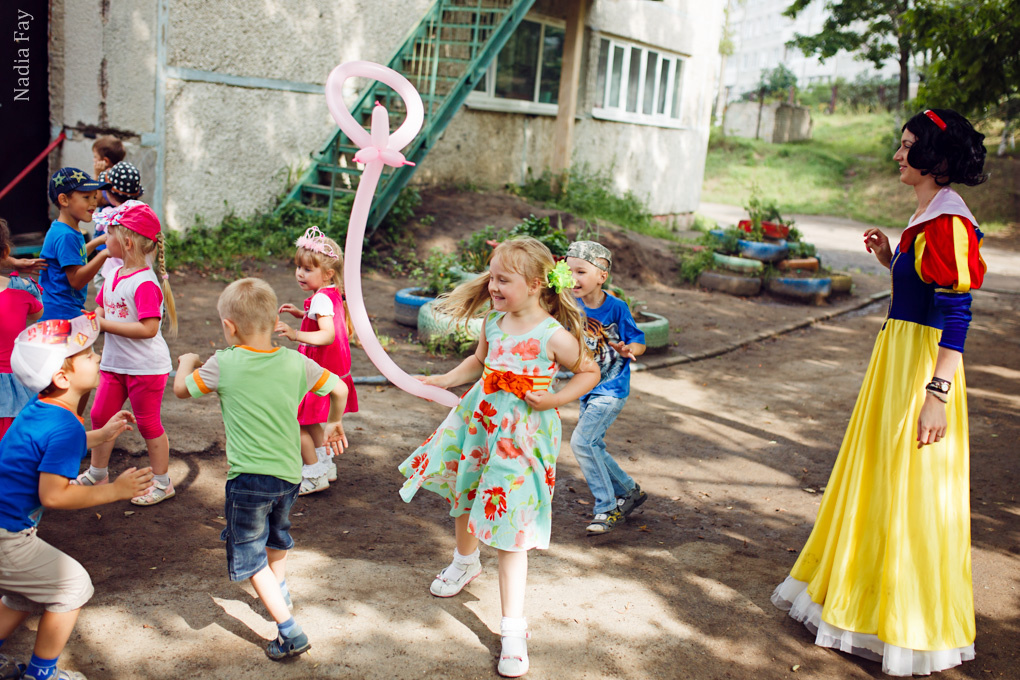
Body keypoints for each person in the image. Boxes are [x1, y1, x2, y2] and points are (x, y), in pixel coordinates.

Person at [771, 108, 989, 676]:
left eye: (906, 145)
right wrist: (890, 259)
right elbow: (923, 289)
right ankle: (864, 601)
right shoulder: (928, 217)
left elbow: (956, 314)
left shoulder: (949, 224)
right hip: (898, 361)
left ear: (934, 160)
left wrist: (937, 393)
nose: (897, 154)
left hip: (920, 369)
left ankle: (908, 621)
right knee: (883, 480)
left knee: (914, 490)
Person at [399, 237, 599, 678]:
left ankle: (512, 628)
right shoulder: (493, 322)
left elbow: (589, 371)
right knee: (466, 495)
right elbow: (479, 361)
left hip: (523, 439)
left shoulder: (553, 335)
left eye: (503, 279)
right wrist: (445, 378)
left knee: (512, 529)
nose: (493, 286)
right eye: (491, 276)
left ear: (533, 285)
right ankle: (464, 561)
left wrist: (556, 399)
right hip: (480, 422)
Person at [173, 277, 349, 661]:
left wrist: (186, 362)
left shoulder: (224, 362)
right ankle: (279, 590)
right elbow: (339, 388)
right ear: (274, 322)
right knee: (276, 535)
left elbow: (181, 390)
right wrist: (334, 422)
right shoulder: (295, 361)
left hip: (248, 479)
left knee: (250, 556)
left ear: (229, 326)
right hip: (289, 476)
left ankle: (289, 630)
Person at [0, 313, 151, 680]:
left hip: (3, 528)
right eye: (86, 354)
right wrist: (114, 490)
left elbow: (47, 450)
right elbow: (53, 496)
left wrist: (100, 435)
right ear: (62, 377)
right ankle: (42, 674)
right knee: (73, 586)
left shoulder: (38, 410)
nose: (97, 357)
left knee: (23, 593)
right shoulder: (64, 425)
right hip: (7, 537)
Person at [73, 204, 178, 506]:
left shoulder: (146, 283)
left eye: (109, 231)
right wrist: (94, 317)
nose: (104, 236)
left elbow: (148, 329)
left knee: (148, 424)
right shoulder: (114, 274)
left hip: (145, 368)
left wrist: (102, 324)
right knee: (100, 416)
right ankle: (97, 473)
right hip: (114, 363)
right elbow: (103, 308)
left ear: (127, 241)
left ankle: (162, 482)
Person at [564, 241, 647, 534]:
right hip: (584, 387)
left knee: (581, 442)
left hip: (610, 388)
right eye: (568, 270)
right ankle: (629, 490)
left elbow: (639, 339)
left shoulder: (616, 307)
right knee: (593, 444)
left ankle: (607, 507)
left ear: (602, 275)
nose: (572, 278)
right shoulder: (567, 304)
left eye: (581, 271)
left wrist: (628, 349)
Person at [275, 226, 359, 495]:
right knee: (309, 419)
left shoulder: (322, 298)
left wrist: (294, 333)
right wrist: (302, 314)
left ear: (328, 273)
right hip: (324, 370)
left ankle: (313, 475)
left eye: (307, 269)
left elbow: (326, 335)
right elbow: (324, 318)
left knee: (293, 419)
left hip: (317, 370)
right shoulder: (327, 294)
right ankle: (325, 466)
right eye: (298, 267)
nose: (300, 273)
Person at [38, 169, 110, 323]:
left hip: (57, 309)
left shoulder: (64, 228)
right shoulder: (66, 236)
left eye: (94, 196)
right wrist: (105, 254)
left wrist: (100, 240)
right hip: (61, 314)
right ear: (64, 200)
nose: (94, 203)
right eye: (86, 197)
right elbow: (76, 281)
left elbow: (77, 255)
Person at [0, 219, 44, 442]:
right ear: (5, 250)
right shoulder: (22, 291)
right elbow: (37, 314)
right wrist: (12, 265)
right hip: (13, 390)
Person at [91, 162, 145, 281]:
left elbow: (98, 226)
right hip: (138, 273)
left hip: (111, 275)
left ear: (109, 195)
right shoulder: (142, 214)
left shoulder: (107, 214)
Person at [91, 136, 126, 210]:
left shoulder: (110, 179)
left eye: (95, 157)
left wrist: (97, 175)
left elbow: (94, 200)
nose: (93, 160)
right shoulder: (122, 175)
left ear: (106, 161)